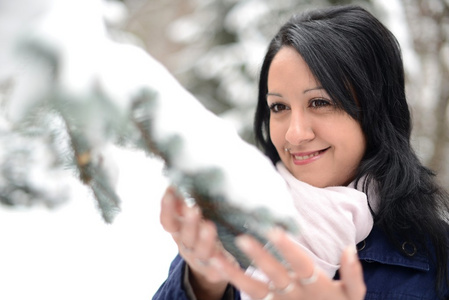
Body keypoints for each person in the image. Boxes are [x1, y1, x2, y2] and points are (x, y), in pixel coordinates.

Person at [153, 4, 449, 300]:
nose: (295, 134)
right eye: (279, 107)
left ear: (375, 110)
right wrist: (202, 285)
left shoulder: (435, 261)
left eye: (320, 102)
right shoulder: (230, 230)